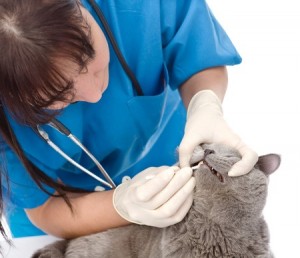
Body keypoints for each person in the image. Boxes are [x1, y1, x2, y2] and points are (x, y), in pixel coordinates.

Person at [0, 0, 258, 239]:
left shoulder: (139, 6)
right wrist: (121, 206)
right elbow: (44, 209)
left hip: (169, 162)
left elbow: (198, 52)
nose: (94, 93)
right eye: (59, 96)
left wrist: (205, 104)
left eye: (89, 60)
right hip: (65, 215)